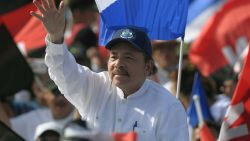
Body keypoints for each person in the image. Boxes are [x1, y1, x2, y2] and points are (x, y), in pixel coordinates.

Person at [30, 0, 189, 141]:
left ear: (147, 67)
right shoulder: (96, 86)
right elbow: (62, 72)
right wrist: (55, 36)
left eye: (128, 57)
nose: (118, 63)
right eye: (114, 56)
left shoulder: (168, 107)